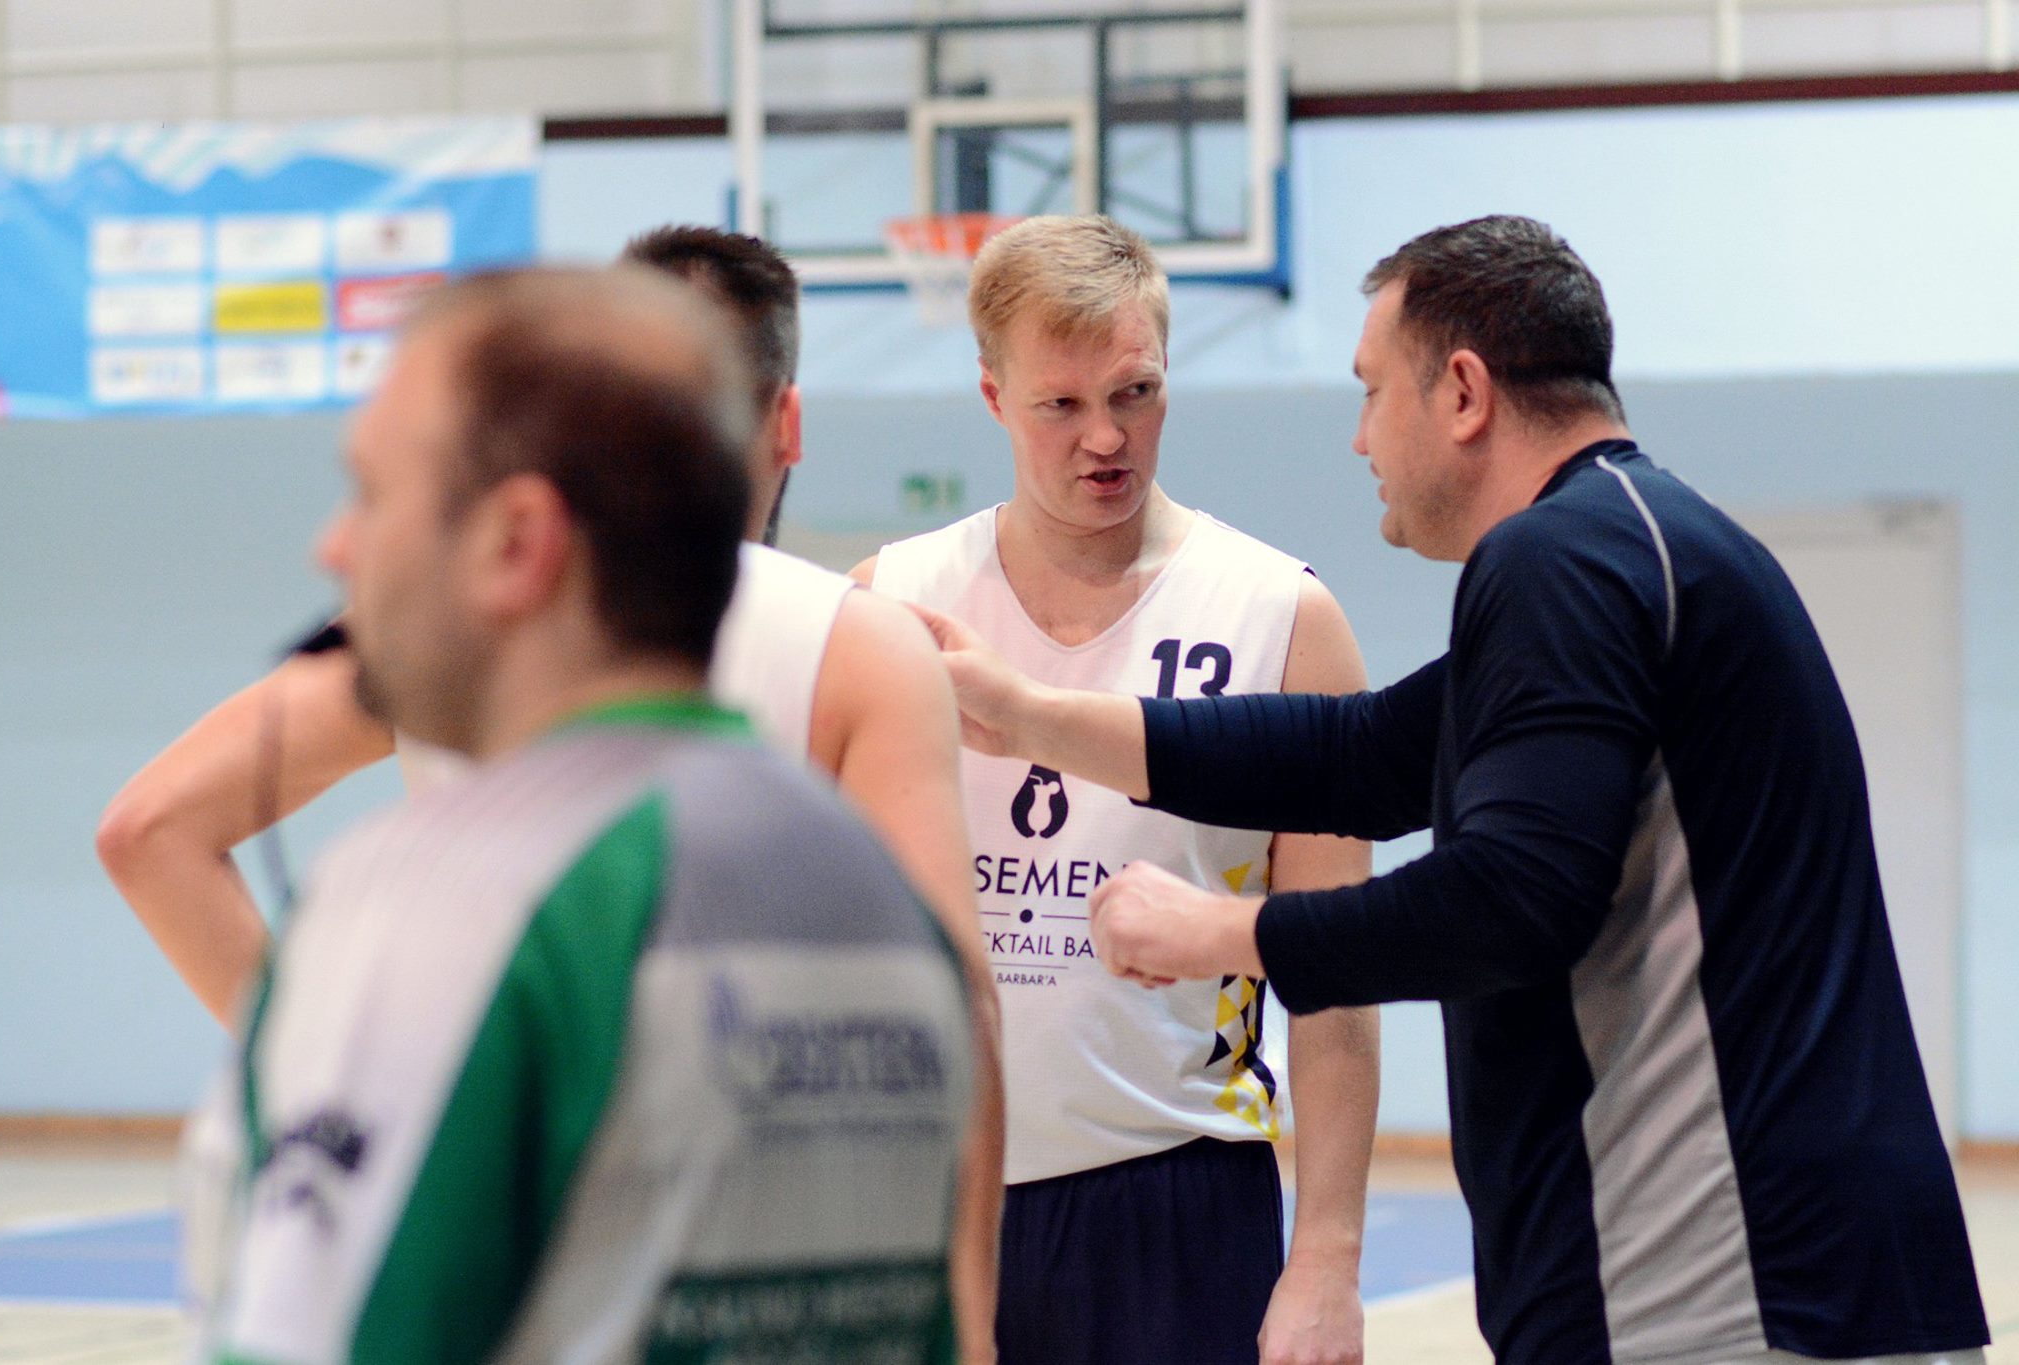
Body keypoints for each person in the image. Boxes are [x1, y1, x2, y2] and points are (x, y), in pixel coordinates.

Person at [919, 214, 1991, 1365]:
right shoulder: (1631, 547)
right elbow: (1362, 755)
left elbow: (1512, 898)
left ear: (1464, 394)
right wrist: (1031, 714)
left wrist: (1219, 934)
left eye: (1371, 391)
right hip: (1782, 1278)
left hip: (1726, 1286)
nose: (1358, 438)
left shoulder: (1559, 562)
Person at [97, 228, 1003, 1360]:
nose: (334, 547)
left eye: (374, 493)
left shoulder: (437, 912)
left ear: (520, 539)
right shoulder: (882, 919)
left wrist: (319, 1046)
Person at [852, 215, 1379, 1365]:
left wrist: (1326, 1258)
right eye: (1061, 404)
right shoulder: (888, 606)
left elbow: (1333, 991)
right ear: (992, 397)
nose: (1104, 437)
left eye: (1134, 394)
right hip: (934, 1197)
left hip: (1178, 1197)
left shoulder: (1280, 619)